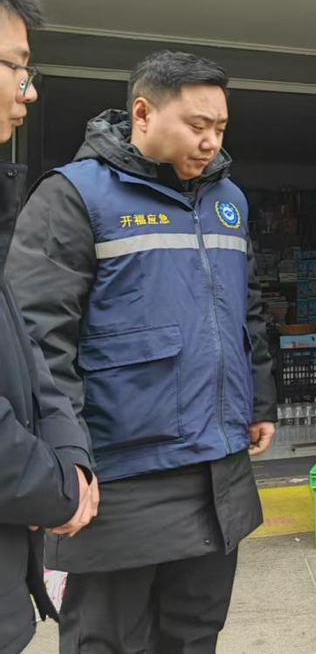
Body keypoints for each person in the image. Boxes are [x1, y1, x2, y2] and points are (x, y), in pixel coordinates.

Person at [7, 50, 278, 653]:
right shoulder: (73, 197)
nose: (211, 142)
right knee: (109, 640)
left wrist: (260, 397)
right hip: (123, 473)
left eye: (221, 128)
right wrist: (64, 455)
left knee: (195, 634)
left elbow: (246, 308)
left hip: (219, 469)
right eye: (197, 126)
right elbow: (37, 341)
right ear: (142, 113)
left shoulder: (227, 199)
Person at [0, 0, 98, 654]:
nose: (28, 92)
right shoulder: (71, 197)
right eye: (16, 66)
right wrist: (55, 488)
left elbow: (30, 356)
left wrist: (70, 456)